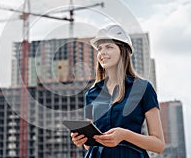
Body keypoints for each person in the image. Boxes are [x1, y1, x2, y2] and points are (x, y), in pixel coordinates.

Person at [71, 24, 165, 157]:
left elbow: (159, 145)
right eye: (100, 48)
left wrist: (125, 135)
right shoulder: (91, 94)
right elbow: (89, 145)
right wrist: (82, 139)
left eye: (109, 47)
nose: (102, 52)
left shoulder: (143, 88)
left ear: (123, 51)